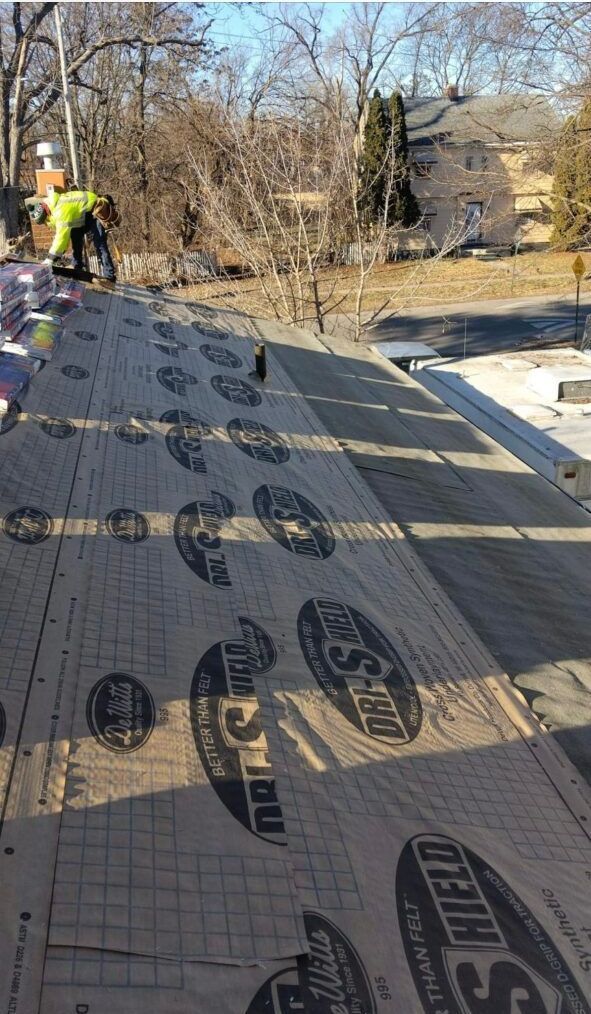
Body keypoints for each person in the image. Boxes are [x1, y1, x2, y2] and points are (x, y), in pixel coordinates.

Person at [31, 190, 116, 285]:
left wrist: (50, 258)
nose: (46, 221)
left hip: (95, 209)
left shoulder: (60, 209)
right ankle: (77, 267)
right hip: (81, 216)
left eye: (45, 218)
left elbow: (61, 236)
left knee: (99, 244)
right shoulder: (52, 209)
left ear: (45, 209)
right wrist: (57, 255)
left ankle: (109, 276)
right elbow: (65, 238)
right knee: (75, 239)